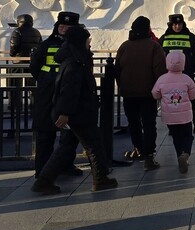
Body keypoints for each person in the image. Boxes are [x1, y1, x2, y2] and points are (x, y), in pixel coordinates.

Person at [32, 25, 118, 193]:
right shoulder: (75, 63)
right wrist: (65, 112)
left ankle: (44, 180)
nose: (89, 43)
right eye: (88, 40)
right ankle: (100, 179)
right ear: (80, 42)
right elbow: (69, 90)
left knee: (66, 147)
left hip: (77, 111)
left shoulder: (73, 59)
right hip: (80, 111)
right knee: (94, 145)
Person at [29, 11, 82, 178]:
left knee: (69, 134)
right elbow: (34, 67)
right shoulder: (45, 45)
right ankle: (42, 170)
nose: (64, 29)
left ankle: (65, 165)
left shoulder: (77, 45)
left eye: (68, 27)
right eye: (61, 26)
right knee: (45, 133)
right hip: (47, 93)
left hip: (67, 93)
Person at [116, 16, 167, 170]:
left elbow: (117, 69)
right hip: (148, 93)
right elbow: (160, 70)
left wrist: (122, 87)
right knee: (149, 124)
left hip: (128, 93)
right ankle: (149, 156)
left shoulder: (124, 46)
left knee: (134, 123)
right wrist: (160, 91)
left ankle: (138, 149)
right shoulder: (154, 46)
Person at [159, 14, 195, 134]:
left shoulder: (190, 37)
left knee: (193, 101)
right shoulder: (164, 38)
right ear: (170, 25)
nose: (177, 26)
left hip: (187, 75)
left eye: (179, 24)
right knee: (172, 102)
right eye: (174, 24)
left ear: (183, 24)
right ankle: (174, 128)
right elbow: (159, 58)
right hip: (170, 76)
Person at [151, 50, 195, 173]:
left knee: (176, 137)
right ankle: (186, 154)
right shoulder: (187, 79)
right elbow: (193, 95)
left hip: (170, 117)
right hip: (185, 115)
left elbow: (155, 94)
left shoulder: (162, 79)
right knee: (188, 136)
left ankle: (179, 156)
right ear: (183, 63)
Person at [8, 13, 42, 124]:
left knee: (15, 86)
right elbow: (40, 46)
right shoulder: (37, 32)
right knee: (32, 86)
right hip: (32, 62)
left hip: (19, 62)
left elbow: (14, 47)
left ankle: (15, 107)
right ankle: (33, 107)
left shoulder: (17, 32)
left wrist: (12, 54)